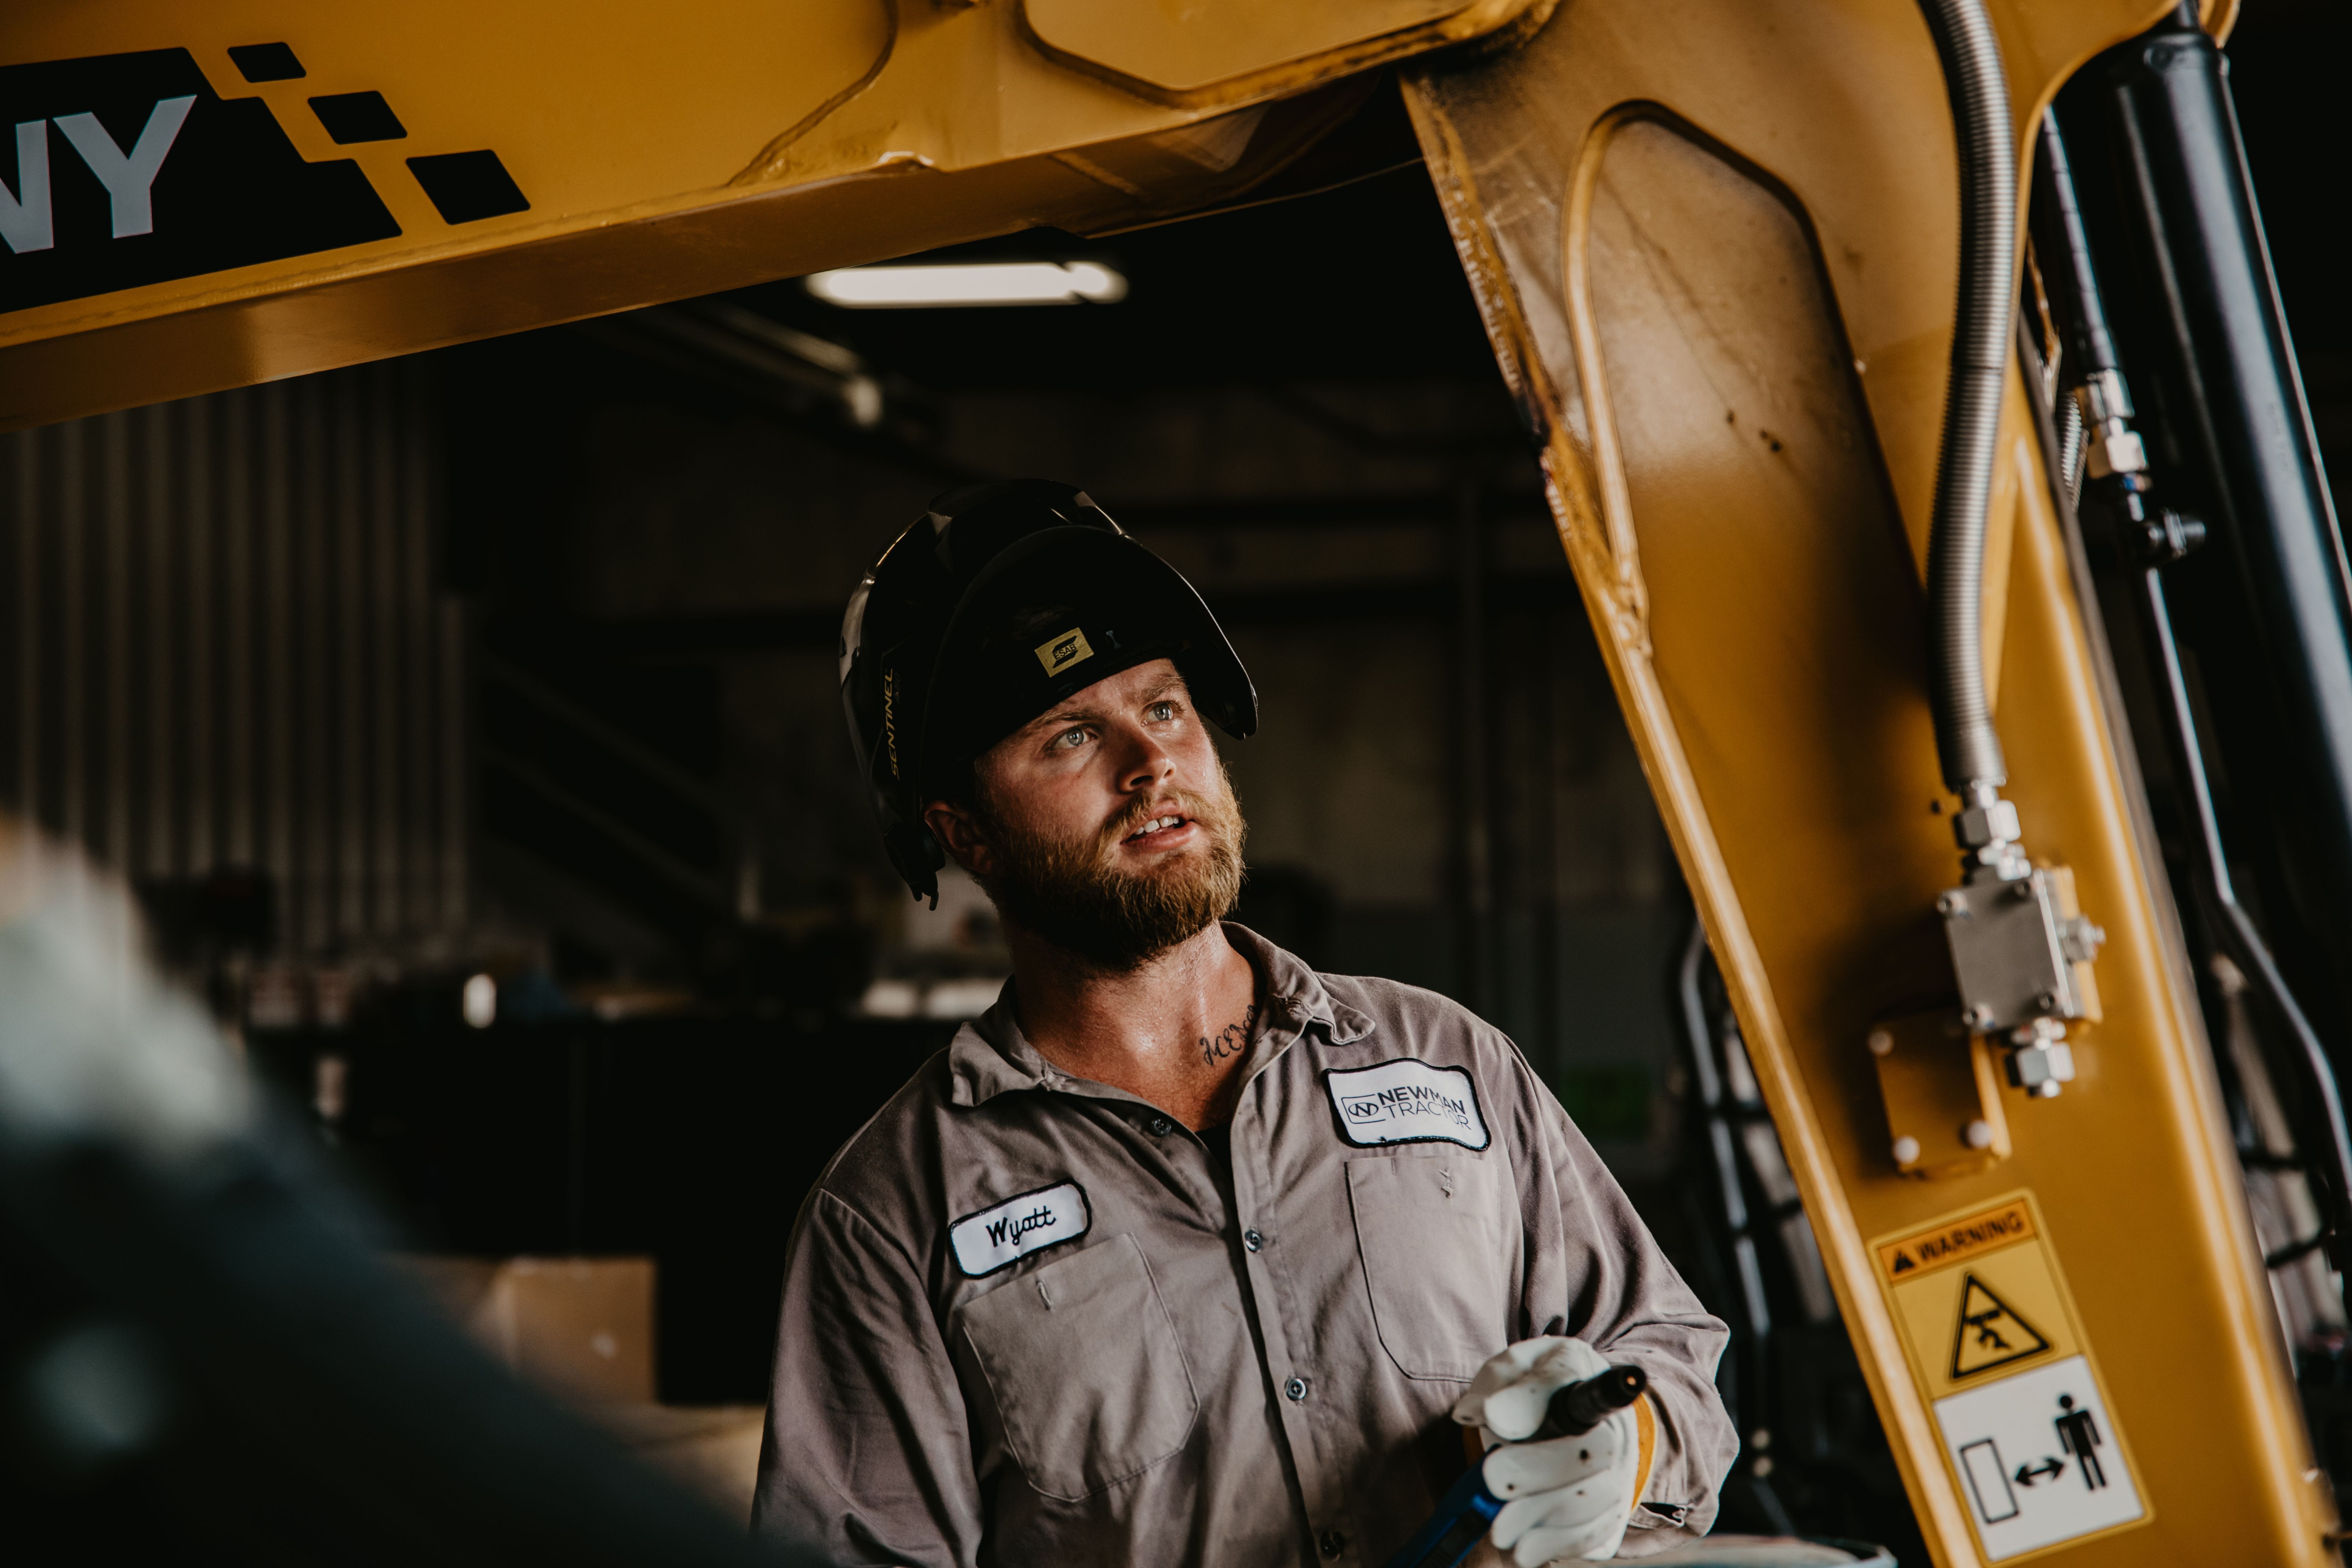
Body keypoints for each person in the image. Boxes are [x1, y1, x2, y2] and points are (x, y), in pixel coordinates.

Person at [752, 481, 1736, 1566]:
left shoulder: (1450, 1062)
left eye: (1164, 708)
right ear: (965, 833)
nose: (1152, 765)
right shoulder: (894, 1214)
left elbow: (1665, 1350)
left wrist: (1624, 1443)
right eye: (1073, 736)